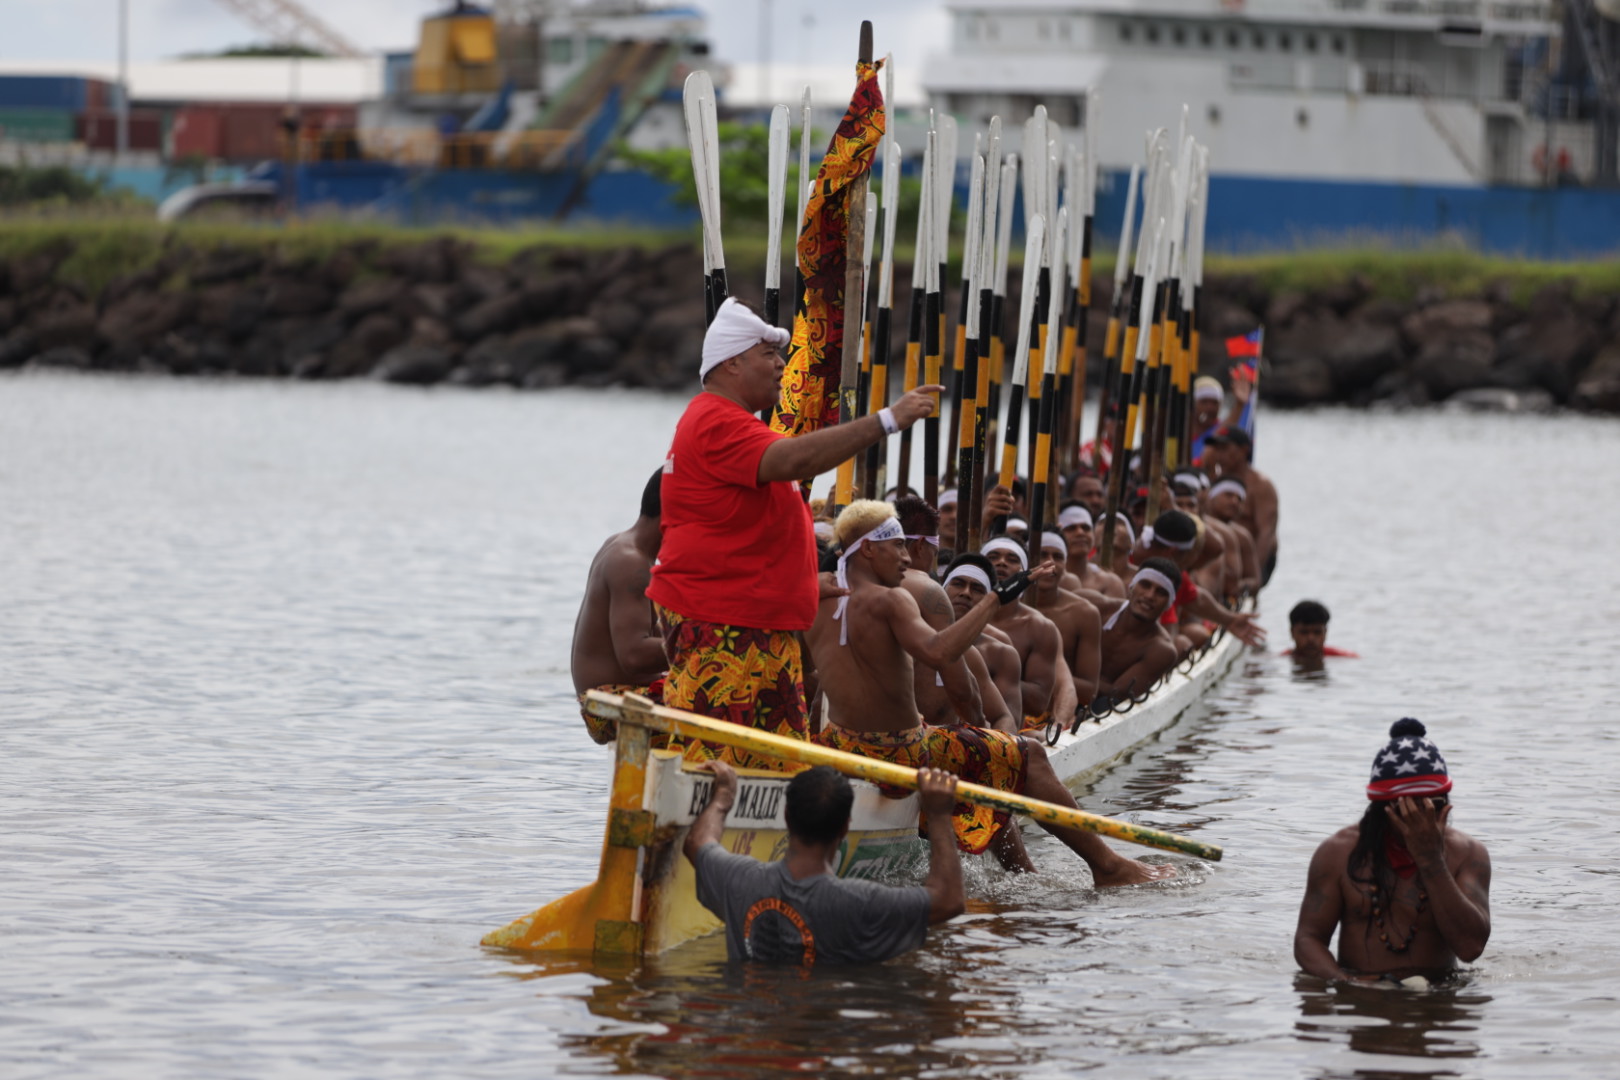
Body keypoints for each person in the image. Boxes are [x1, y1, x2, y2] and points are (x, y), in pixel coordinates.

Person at [806, 500, 1170, 885]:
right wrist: (996, 598)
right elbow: (940, 652)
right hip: (900, 750)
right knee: (1028, 754)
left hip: (838, 747)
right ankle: (1108, 866)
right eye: (896, 545)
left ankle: (1026, 871)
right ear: (867, 548)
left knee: (983, 747)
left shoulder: (814, 599)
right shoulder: (891, 598)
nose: (905, 555)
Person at [647, 297, 942, 768]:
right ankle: (700, 830)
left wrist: (805, 584)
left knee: (777, 762)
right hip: (723, 622)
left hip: (758, 623)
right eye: (769, 354)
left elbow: (747, 533)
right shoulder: (715, 420)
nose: (782, 364)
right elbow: (797, 459)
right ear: (733, 363)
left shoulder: (731, 422)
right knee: (718, 762)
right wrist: (888, 420)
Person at [685, 760, 965, 965]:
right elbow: (948, 900)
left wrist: (722, 798)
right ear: (845, 827)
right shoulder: (860, 902)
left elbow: (698, 843)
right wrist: (939, 814)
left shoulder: (740, 880)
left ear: (786, 816)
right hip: (823, 1034)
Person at [1294, 719, 1491, 984]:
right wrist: (1347, 982)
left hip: (1438, 999)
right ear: (1382, 809)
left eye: (1431, 805)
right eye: (1408, 808)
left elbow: (1471, 948)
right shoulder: (1337, 853)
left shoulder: (1468, 854)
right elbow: (1308, 939)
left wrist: (1431, 860)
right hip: (1361, 999)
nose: (1421, 819)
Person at [570, 468, 667, 744]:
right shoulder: (631, 561)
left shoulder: (624, 546)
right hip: (614, 701)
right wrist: (704, 645)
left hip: (617, 696)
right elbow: (634, 655)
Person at [981, 536, 1079, 731]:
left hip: (1008, 730)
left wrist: (987, 676)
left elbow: (1038, 702)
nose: (1001, 562)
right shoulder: (954, 613)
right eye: (993, 557)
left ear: (1024, 573)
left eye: (1012, 559)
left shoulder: (1040, 627)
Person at [1091, 559, 1183, 704]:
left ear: (1169, 604)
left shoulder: (1162, 650)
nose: (1150, 596)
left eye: (1161, 592)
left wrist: (1074, 683)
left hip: (1098, 705)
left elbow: (1117, 694)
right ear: (1132, 587)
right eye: (1145, 585)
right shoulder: (1095, 608)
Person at [1028, 531, 1102, 708]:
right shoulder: (1004, 605)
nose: (1049, 562)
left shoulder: (1084, 613)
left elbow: (1089, 691)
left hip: (1058, 710)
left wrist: (1039, 680)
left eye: (1058, 556)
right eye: (1042, 554)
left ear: (1066, 565)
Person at [1201, 424, 1279, 586]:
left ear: (1243, 450)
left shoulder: (1261, 486)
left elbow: (1266, 533)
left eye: (1224, 448)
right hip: (1223, 555)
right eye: (1216, 448)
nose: (1218, 454)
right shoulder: (1211, 480)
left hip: (1253, 557)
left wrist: (1253, 575)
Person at [1058, 502, 1125, 599]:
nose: (1080, 532)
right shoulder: (1046, 580)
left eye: (1086, 528)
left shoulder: (1111, 582)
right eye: (1071, 528)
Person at [1284, 600, 1359, 663]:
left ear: (1325, 633)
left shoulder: (1347, 658)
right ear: (1292, 633)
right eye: (1304, 632)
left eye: (1317, 632)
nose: (1311, 638)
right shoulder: (1283, 658)